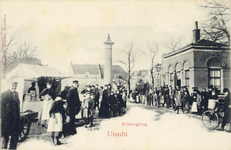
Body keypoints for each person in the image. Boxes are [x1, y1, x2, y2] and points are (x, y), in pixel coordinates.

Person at [1, 81, 20, 150]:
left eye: (15, 86)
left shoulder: (17, 94)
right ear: (9, 85)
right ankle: (4, 148)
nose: (14, 87)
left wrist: (18, 117)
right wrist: (3, 118)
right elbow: (1, 107)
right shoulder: (4, 94)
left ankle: (12, 148)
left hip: (15, 119)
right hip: (7, 119)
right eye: (12, 85)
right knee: (5, 135)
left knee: (15, 136)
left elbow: (18, 106)